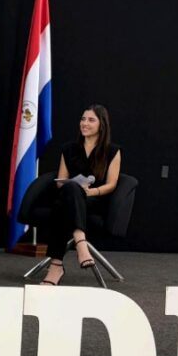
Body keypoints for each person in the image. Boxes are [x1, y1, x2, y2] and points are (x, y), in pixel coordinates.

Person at [42, 104, 121, 285]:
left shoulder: (112, 151)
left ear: (102, 125)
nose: (85, 123)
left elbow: (112, 184)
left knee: (62, 206)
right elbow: (61, 181)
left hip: (94, 199)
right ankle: (80, 241)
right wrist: (74, 186)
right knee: (70, 189)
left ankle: (56, 267)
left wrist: (91, 191)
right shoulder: (68, 149)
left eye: (91, 120)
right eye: (83, 119)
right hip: (69, 196)